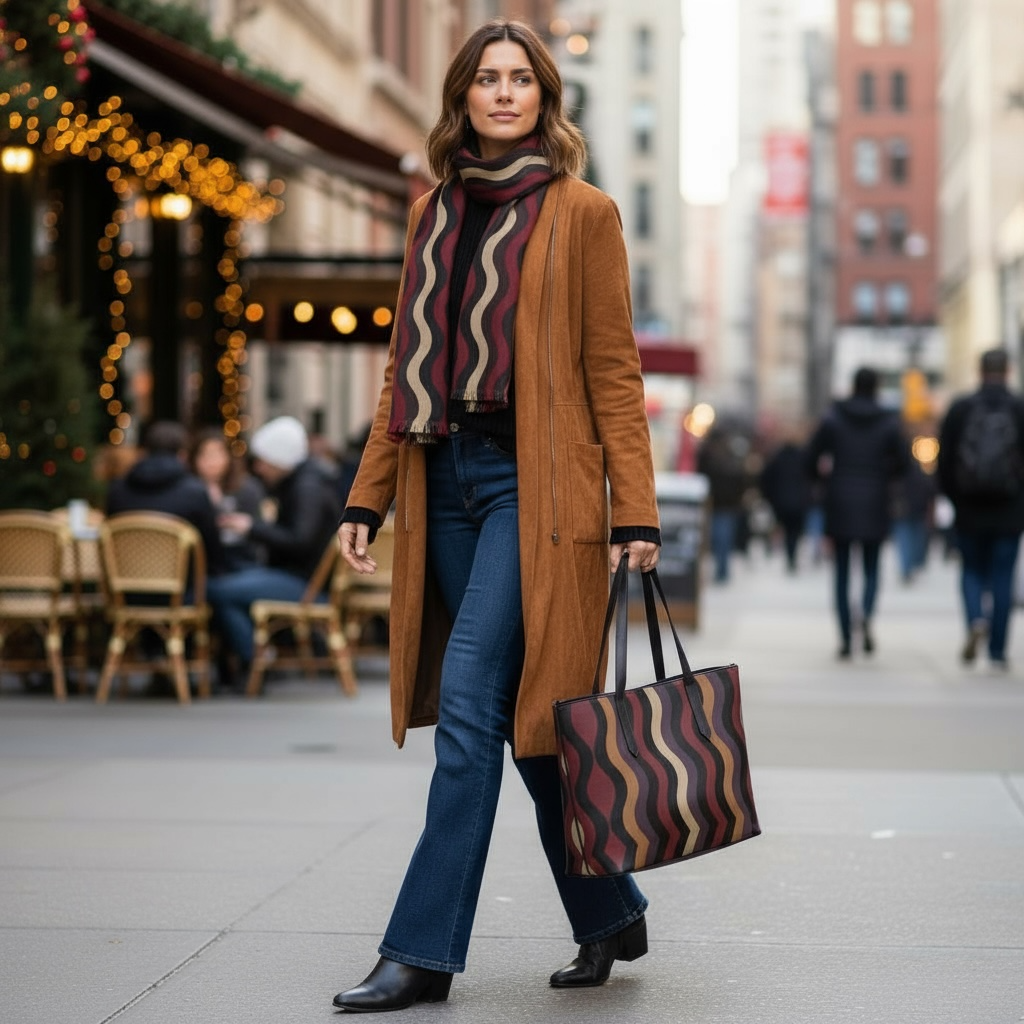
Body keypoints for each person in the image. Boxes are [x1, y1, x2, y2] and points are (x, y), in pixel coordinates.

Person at [332, 19, 661, 1014]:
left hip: (538, 490)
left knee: (472, 708)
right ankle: (609, 909)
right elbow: (402, 367)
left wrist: (633, 511)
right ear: (463, 97)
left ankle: (420, 952)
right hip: (446, 484)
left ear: (544, 97)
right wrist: (368, 489)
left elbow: (613, 369)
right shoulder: (431, 212)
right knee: (529, 729)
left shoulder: (584, 212)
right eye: (488, 78)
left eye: (522, 79)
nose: (505, 93)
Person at [206, 415, 341, 680]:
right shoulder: (306, 482)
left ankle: (256, 658)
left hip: (303, 583)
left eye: (264, 461)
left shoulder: (306, 487)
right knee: (224, 595)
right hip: (300, 577)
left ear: (280, 460)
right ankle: (252, 660)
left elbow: (300, 540)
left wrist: (251, 528)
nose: (258, 468)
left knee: (214, 589)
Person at [805, 367, 909, 658]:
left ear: (853, 386)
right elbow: (903, 462)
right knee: (872, 566)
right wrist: (885, 475)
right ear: (876, 388)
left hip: (839, 498)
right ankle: (865, 612)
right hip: (875, 499)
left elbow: (810, 457)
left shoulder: (834, 418)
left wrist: (823, 481)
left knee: (841, 571)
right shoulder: (888, 422)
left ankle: (845, 635)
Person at [937, 348, 1024, 668]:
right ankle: (998, 650)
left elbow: (944, 461)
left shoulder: (961, 408)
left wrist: (953, 498)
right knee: (1003, 576)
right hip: (1010, 509)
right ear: (1008, 371)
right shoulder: (1018, 408)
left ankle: (975, 619)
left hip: (969, 508)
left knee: (971, 570)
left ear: (979, 371)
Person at [106, 420, 224, 576]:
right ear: (182, 455)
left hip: (124, 588)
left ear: (144, 452)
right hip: (184, 590)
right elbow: (211, 552)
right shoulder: (194, 492)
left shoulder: (117, 490)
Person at [188, 427, 265, 572]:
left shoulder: (247, 488)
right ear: (194, 459)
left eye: (217, 454)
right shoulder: (187, 490)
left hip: (240, 559)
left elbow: (258, 531)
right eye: (205, 455)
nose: (211, 462)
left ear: (229, 457)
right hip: (201, 563)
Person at [696, 428, 750, 582]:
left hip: (718, 503)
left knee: (720, 536)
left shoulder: (709, 457)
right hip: (728, 504)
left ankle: (722, 570)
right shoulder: (730, 456)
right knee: (724, 537)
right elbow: (741, 479)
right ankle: (722, 569)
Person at [760, 431, 812, 573]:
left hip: (781, 501)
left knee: (787, 530)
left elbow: (765, 478)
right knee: (794, 532)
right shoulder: (804, 457)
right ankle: (791, 556)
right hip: (799, 501)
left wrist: (769, 496)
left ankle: (790, 557)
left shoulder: (777, 457)